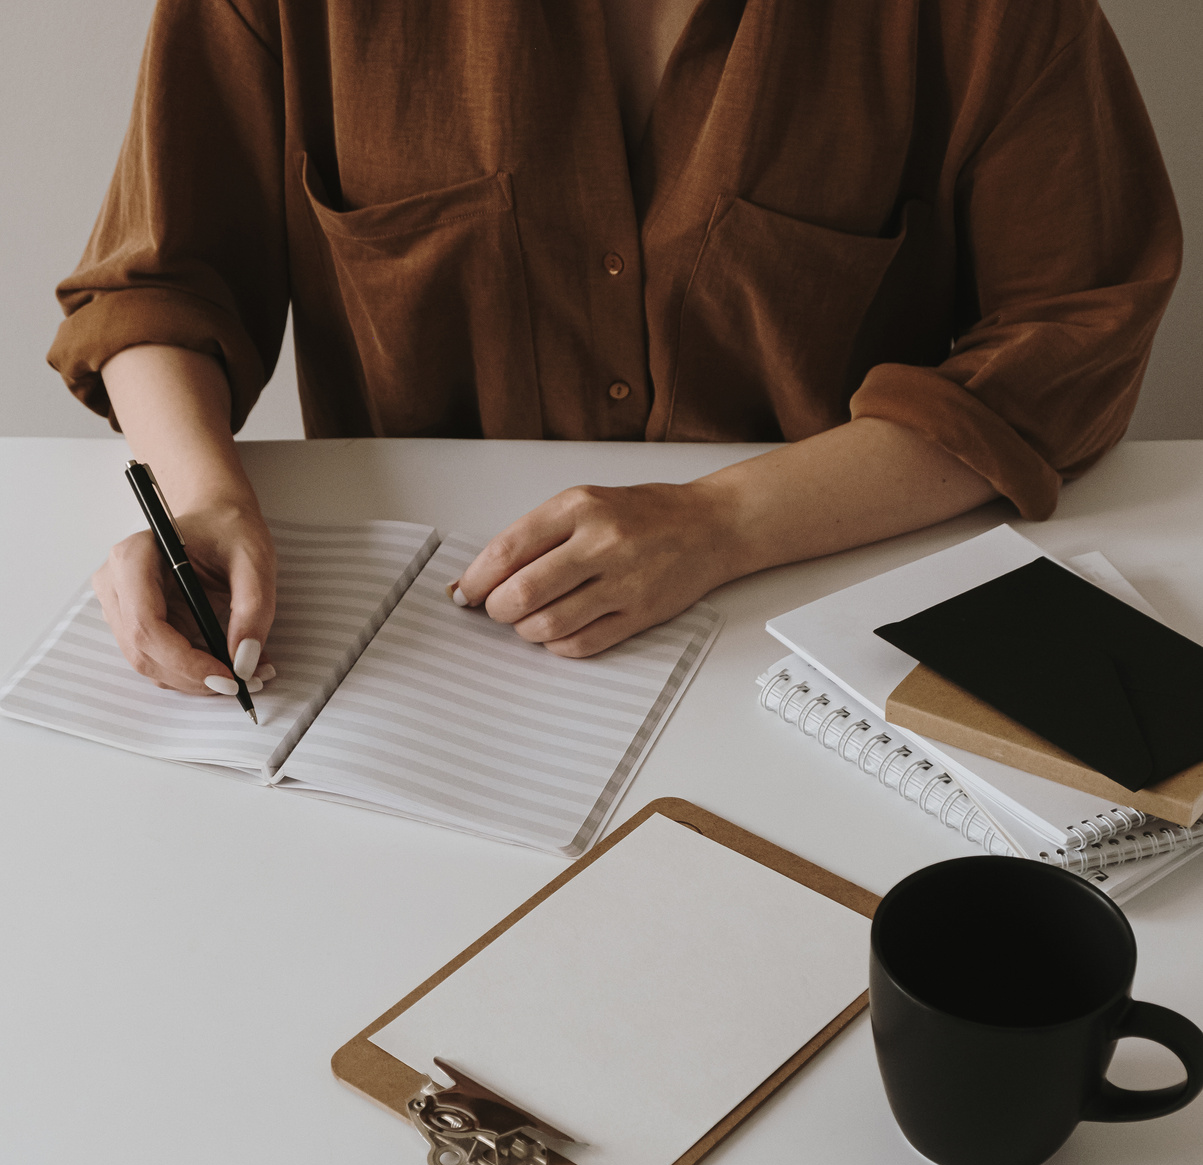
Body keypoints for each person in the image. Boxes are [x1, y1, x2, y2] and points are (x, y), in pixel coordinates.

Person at [49, 0, 1180, 696]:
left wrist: (723, 521)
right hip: (414, 665)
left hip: (819, 644)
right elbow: (157, 282)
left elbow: (1076, 329)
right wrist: (202, 499)